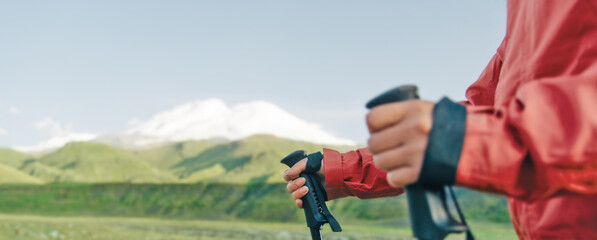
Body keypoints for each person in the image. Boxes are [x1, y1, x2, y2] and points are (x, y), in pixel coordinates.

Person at [283, 1, 597, 239]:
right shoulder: (528, 16)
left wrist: (462, 140)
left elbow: (471, 131)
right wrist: (342, 173)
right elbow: (480, 114)